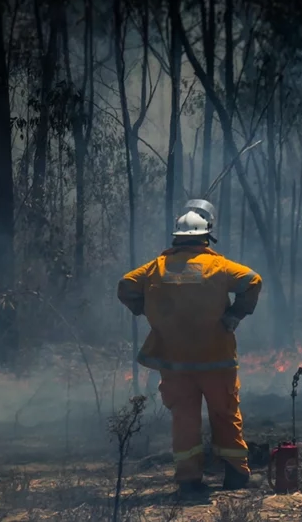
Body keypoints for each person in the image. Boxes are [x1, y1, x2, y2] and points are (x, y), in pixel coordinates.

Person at [116, 199, 262, 495]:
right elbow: (252, 280)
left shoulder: (157, 268)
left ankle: (189, 481)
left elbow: (126, 285)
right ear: (206, 237)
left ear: (176, 238)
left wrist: (148, 309)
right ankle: (235, 476)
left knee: (184, 421)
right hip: (217, 360)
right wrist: (234, 315)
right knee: (225, 415)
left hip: (176, 363)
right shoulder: (219, 266)